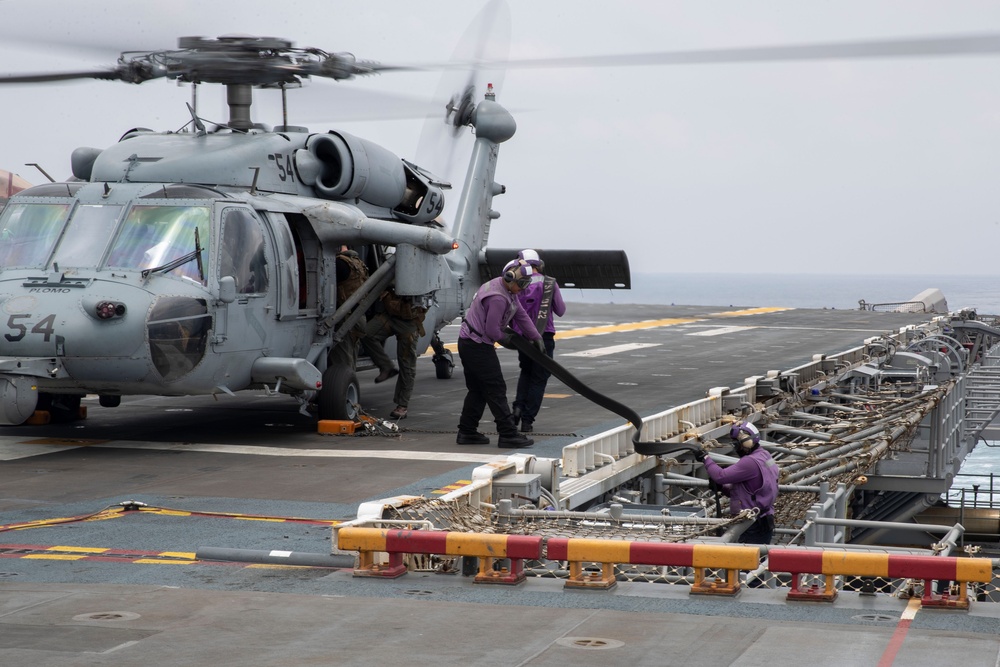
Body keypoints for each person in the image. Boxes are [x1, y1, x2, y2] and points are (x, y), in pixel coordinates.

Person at [456, 259, 544, 448]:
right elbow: (493, 331)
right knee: (496, 388)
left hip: (470, 343)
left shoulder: (505, 287)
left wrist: (536, 337)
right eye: (521, 284)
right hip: (476, 345)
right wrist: (512, 343)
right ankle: (507, 434)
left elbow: (520, 314)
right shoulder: (497, 297)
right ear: (509, 277)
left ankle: (467, 431)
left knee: (478, 390)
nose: (522, 289)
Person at [694, 421, 780, 544]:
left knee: (745, 561)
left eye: (737, 444)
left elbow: (720, 476)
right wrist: (722, 488)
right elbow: (750, 490)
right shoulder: (764, 455)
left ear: (746, 442)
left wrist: (705, 458)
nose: (736, 448)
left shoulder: (750, 462)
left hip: (751, 524)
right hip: (763, 519)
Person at [510, 249, 565, 433]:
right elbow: (561, 310)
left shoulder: (517, 282)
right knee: (539, 379)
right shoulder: (549, 283)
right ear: (539, 264)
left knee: (526, 372)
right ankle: (527, 420)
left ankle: (517, 409)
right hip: (544, 336)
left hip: (522, 337)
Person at [363, 287, 428, 420]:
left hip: (409, 321)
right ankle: (386, 366)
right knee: (367, 334)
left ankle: (402, 405)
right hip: (389, 315)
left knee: (407, 365)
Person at [329, 246, 369, 371]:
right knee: (350, 355)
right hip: (357, 316)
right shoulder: (357, 262)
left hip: (345, 318)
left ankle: (345, 387)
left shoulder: (339, 264)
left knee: (341, 362)